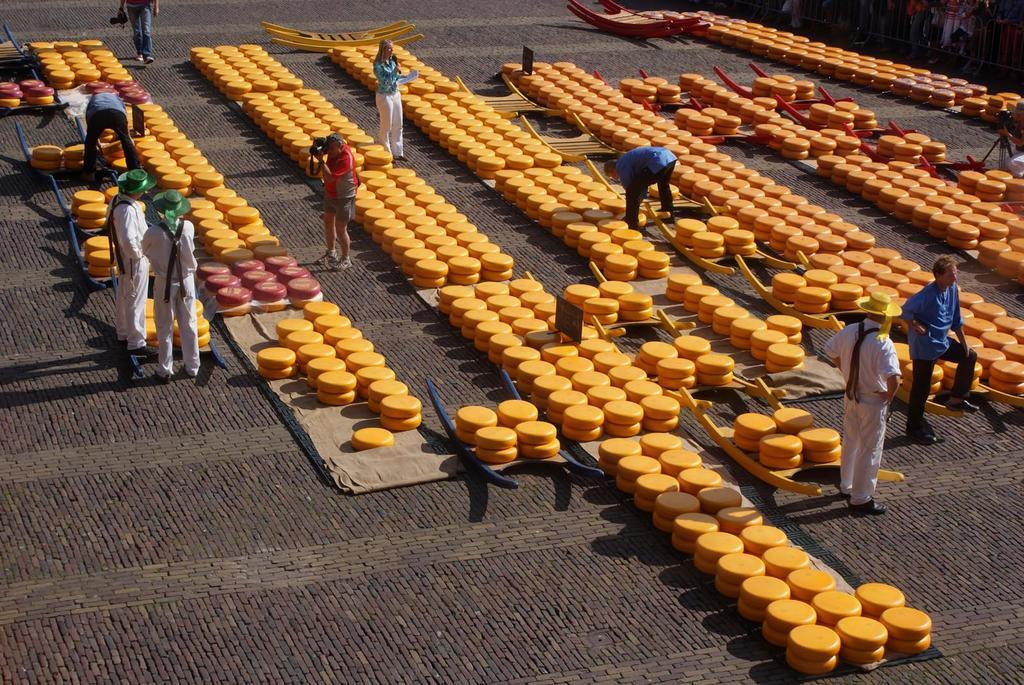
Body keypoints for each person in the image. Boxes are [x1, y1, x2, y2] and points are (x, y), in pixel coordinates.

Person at [824, 291, 902, 516]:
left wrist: (847, 372)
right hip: (871, 400)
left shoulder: (849, 331)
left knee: (850, 441)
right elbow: (894, 378)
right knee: (869, 449)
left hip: (851, 395)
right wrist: (888, 397)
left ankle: (846, 485)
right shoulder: (883, 343)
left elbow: (831, 351)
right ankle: (860, 498)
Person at [900, 255, 978, 444]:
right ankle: (914, 427)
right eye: (951, 274)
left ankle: (957, 399)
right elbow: (904, 311)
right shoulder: (926, 295)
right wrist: (915, 324)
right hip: (925, 346)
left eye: (955, 274)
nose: (955, 278)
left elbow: (956, 319)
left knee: (969, 356)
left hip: (941, 341)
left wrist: (964, 344)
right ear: (938, 275)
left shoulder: (952, 289)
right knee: (922, 387)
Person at [142, 189, 200, 382]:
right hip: (186, 281)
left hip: (164, 282)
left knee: (164, 325)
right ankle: (192, 366)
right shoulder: (189, 227)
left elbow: (144, 251)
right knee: (189, 323)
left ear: (161, 211)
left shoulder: (153, 232)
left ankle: (164, 368)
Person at [108, 169, 155, 357]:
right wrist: (138, 254)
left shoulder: (117, 200)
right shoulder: (126, 209)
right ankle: (136, 342)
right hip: (133, 260)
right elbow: (128, 239)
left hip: (126, 258)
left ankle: (123, 331)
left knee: (124, 294)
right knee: (136, 299)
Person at [603, 146, 677, 231]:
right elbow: (641, 183)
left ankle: (632, 223)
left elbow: (630, 186)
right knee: (664, 185)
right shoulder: (627, 159)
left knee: (631, 193)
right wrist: (640, 196)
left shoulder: (620, 165)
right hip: (669, 157)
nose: (616, 178)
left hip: (657, 161)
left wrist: (636, 200)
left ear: (613, 170)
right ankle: (669, 213)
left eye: (612, 176)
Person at [315, 133, 357, 269]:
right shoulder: (334, 151)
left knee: (340, 229)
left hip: (344, 197)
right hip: (331, 193)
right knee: (328, 222)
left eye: (332, 149)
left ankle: (346, 259)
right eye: (329, 148)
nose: (330, 152)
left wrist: (321, 161)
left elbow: (331, 177)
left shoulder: (346, 158)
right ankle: (331, 252)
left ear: (340, 147)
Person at [82, 91, 140, 176]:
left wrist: (97, 144)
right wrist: (127, 139)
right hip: (117, 114)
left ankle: (89, 173)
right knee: (126, 140)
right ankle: (134, 170)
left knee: (90, 143)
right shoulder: (118, 100)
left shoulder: (92, 101)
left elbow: (90, 128)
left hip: (98, 114)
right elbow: (125, 127)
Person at [373, 40, 405, 161]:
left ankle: (398, 152)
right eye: (389, 49)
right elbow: (384, 81)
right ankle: (387, 152)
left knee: (398, 123)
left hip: (395, 93)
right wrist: (394, 72)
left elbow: (395, 78)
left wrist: (402, 76)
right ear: (383, 50)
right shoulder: (378, 66)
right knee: (386, 125)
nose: (392, 51)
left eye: (392, 49)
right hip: (384, 96)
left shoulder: (392, 62)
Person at [998, 100, 1024, 177]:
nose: (1017, 114)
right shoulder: (1019, 122)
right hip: (1019, 151)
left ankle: (1020, 179)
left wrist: (1007, 134)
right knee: (1002, 166)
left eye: (1020, 113)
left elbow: (1020, 142)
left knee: (1012, 162)